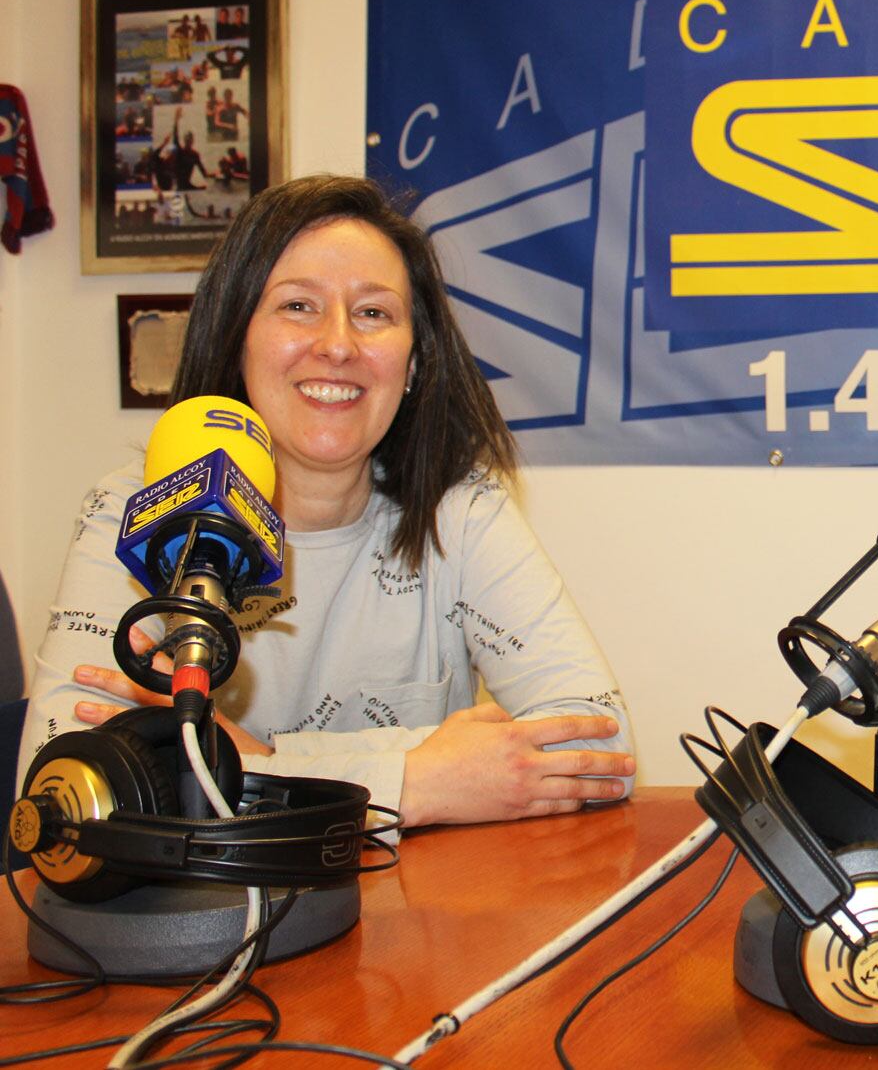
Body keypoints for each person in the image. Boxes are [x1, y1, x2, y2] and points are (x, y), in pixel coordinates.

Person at [19, 175, 635, 829]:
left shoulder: (461, 511)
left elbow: (600, 746)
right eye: (297, 306)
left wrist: (254, 761)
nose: (338, 345)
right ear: (238, 337)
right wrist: (416, 779)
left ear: (415, 361)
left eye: (373, 313)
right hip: (206, 919)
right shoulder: (139, 506)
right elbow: (63, 783)